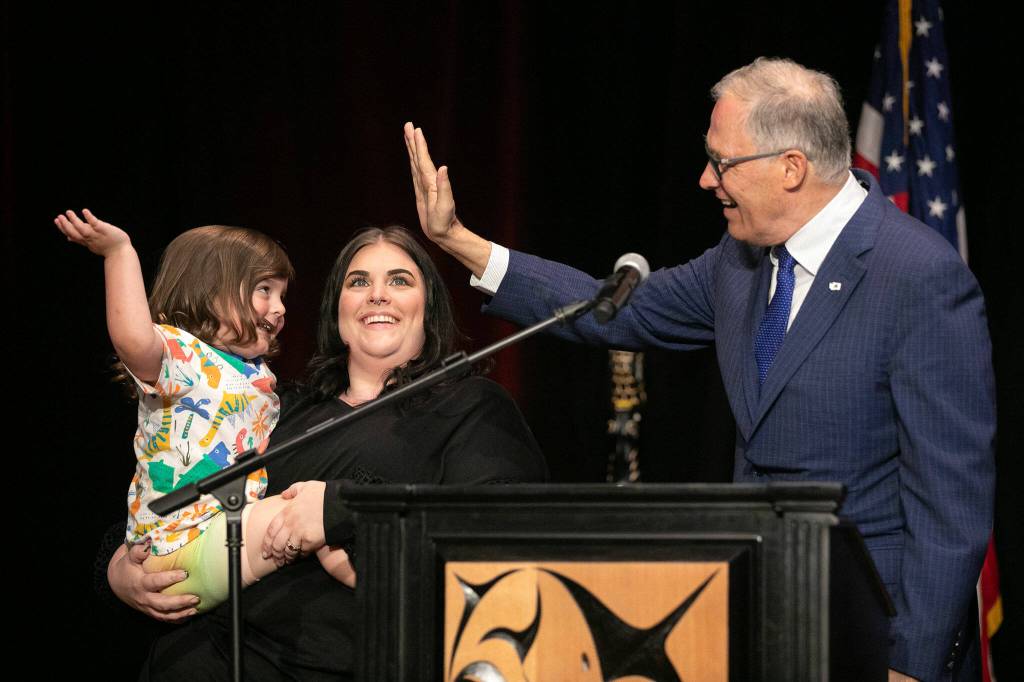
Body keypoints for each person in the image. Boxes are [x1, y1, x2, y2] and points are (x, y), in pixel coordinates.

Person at [404, 57, 995, 682]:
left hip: (871, 636)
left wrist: (910, 666)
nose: (705, 180)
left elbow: (951, 504)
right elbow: (610, 311)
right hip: (759, 621)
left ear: (791, 167)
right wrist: (458, 240)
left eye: (722, 161)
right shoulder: (739, 263)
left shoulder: (918, 276)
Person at [104, 225, 548, 679]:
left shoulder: (470, 405)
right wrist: (118, 567)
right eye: (358, 282)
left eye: (399, 280)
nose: (377, 295)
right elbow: (183, 486)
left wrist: (340, 510)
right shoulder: (282, 407)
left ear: (429, 305)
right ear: (337, 308)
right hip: (203, 657)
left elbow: (504, 534)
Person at [57, 209, 351, 614]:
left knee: (316, 524)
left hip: (223, 531)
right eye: (265, 290)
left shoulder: (257, 376)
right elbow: (132, 337)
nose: (280, 308)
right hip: (179, 547)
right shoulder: (182, 355)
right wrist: (119, 253)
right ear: (211, 292)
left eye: (282, 295)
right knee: (302, 514)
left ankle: (387, 592)